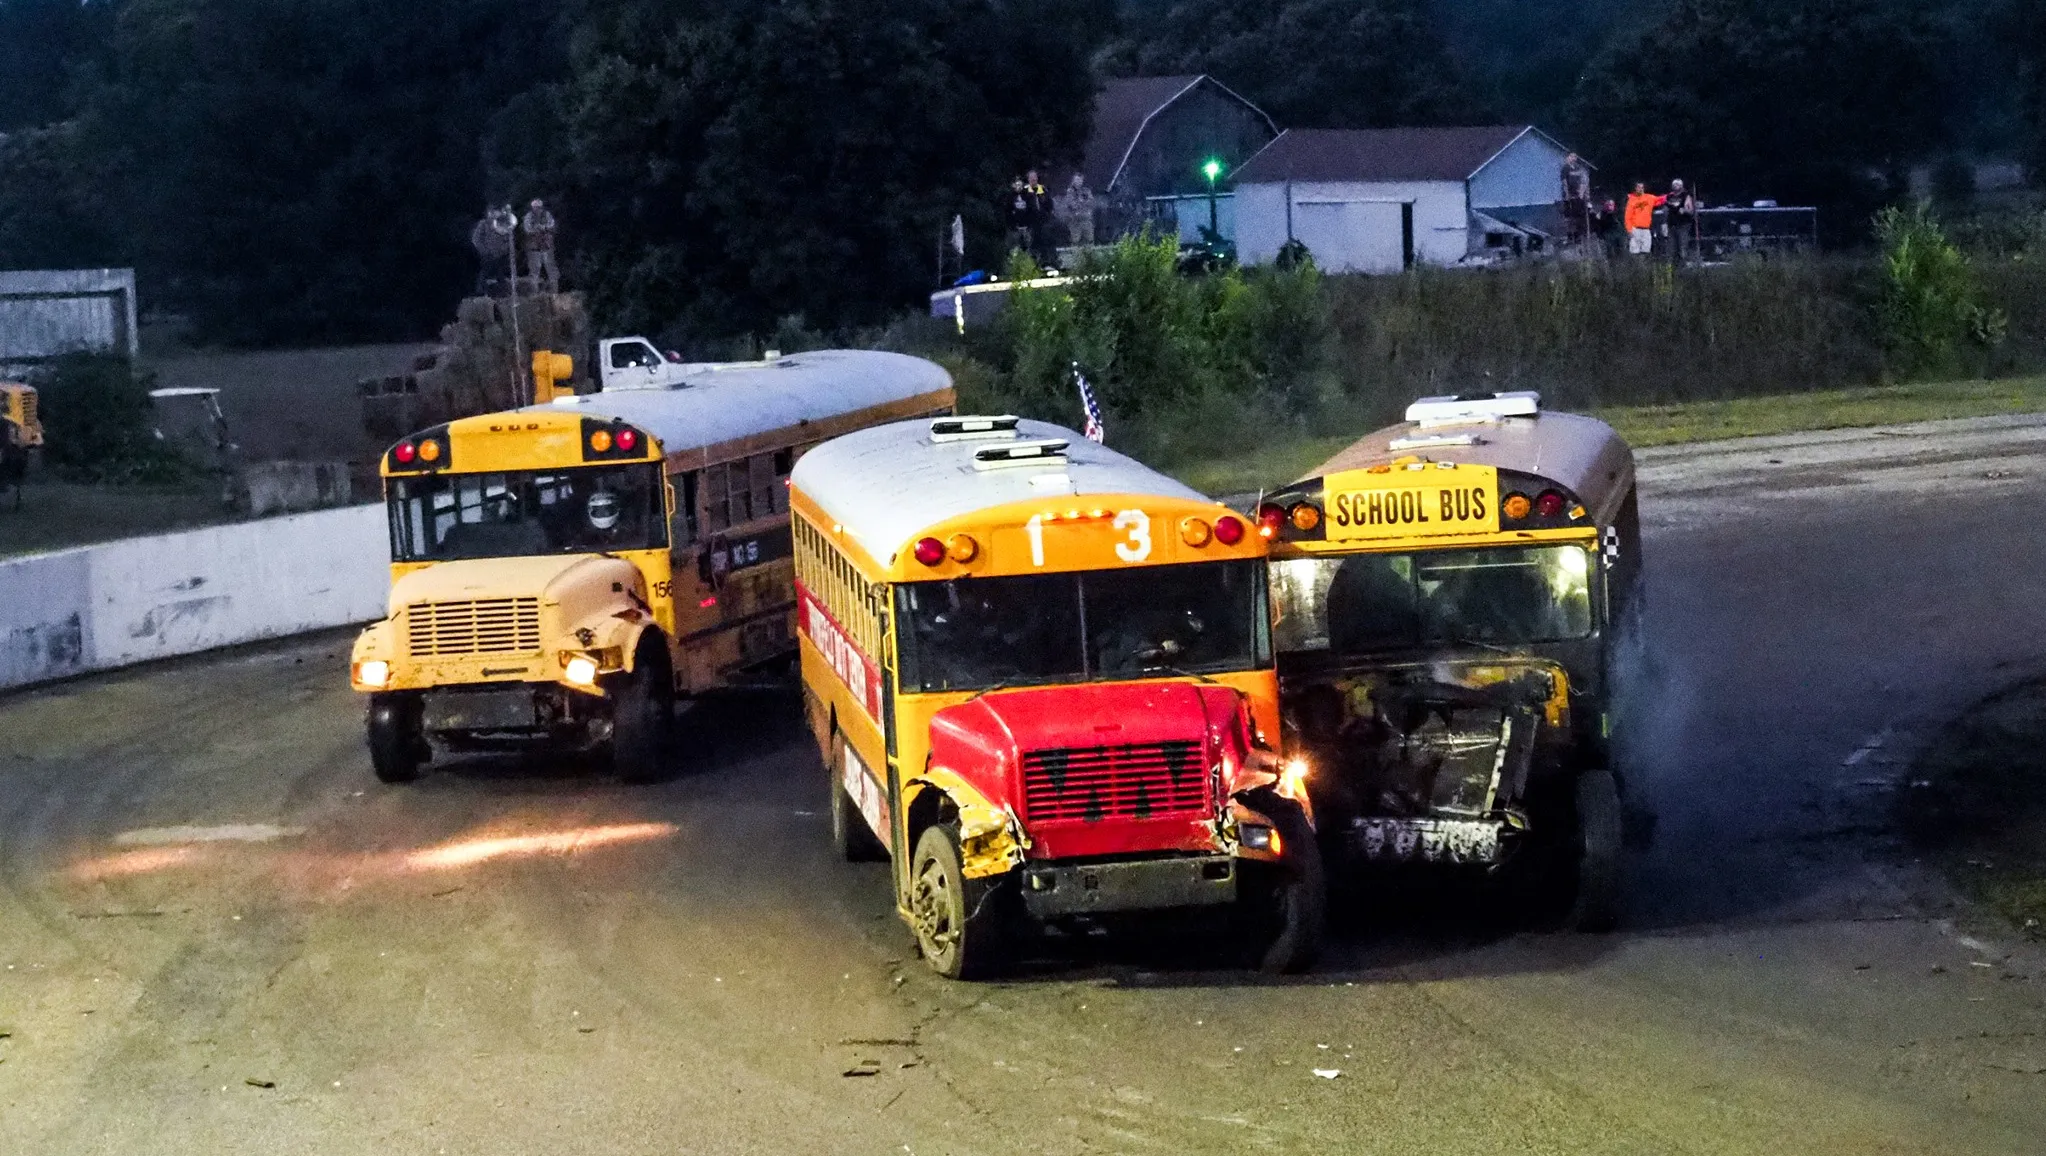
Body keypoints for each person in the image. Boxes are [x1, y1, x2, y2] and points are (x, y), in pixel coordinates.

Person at [523, 198, 559, 293]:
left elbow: (552, 225)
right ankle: (535, 294)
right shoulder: (529, 216)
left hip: (547, 246)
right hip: (534, 248)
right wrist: (537, 229)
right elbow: (527, 229)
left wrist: (544, 228)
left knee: (551, 269)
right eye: (535, 207)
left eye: (538, 207)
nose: (536, 209)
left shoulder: (547, 215)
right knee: (534, 271)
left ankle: (555, 292)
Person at [1624, 183, 1665, 258]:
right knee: (1634, 252)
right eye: (1638, 187)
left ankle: (1644, 268)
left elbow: (1661, 199)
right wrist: (1629, 230)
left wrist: (1671, 195)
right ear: (1635, 188)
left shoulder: (1649, 197)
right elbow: (1627, 217)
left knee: (1645, 251)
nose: (1640, 189)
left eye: (1642, 187)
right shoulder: (1631, 200)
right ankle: (1636, 268)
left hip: (1646, 230)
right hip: (1635, 229)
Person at [1560, 153, 1593, 245]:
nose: (1573, 158)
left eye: (1575, 157)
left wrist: (1583, 193)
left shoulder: (1578, 168)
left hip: (1578, 197)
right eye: (1571, 156)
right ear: (1568, 158)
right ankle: (1570, 236)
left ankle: (1579, 236)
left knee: (1579, 217)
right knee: (1569, 218)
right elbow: (1564, 182)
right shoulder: (1565, 168)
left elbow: (1584, 181)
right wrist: (1567, 195)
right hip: (1569, 197)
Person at [1663, 179, 1697, 266]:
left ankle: (1683, 267)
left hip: (1683, 225)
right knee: (1671, 249)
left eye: (1678, 184)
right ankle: (1672, 268)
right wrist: (1665, 223)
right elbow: (1666, 210)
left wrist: (1685, 210)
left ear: (1681, 186)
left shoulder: (1686, 196)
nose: (1675, 186)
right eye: (1674, 184)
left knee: (1683, 247)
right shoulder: (1669, 197)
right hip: (1671, 226)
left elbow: (1691, 211)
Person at [1057, 172, 1096, 247]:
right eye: (1077, 180)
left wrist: (1082, 202)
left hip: (1086, 220)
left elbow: (1091, 202)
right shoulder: (1070, 192)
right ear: (1073, 181)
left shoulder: (1086, 190)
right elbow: (1072, 205)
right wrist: (1083, 202)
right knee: (1075, 241)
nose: (1079, 182)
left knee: (1089, 240)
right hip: (1075, 221)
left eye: (1080, 180)